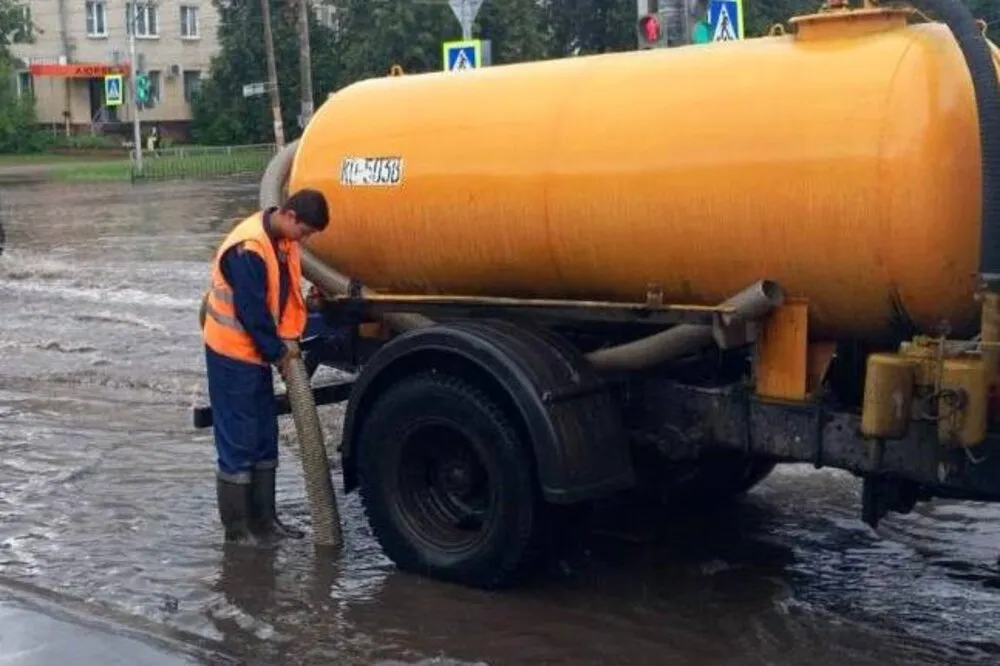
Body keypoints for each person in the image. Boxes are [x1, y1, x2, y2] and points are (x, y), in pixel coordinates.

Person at [201, 188, 330, 545]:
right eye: (304, 232)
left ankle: (267, 522)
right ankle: (239, 531)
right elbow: (252, 311)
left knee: (263, 436)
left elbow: (285, 295)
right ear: (289, 217)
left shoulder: (283, 242)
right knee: (239, 441)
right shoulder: (249, 248)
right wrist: (278, 353)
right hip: (231, 354)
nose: (304, 239)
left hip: (255, 353)